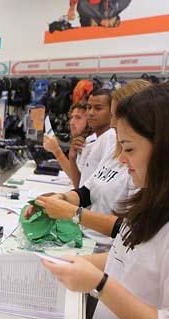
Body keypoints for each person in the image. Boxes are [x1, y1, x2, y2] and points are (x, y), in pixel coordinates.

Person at [42, 83, 169, 319]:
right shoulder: (147, 203)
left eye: (129, 149)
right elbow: (124, 258)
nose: (122, 158)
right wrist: (73, 263)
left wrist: (99, 284)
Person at [26, 81, 151, 247]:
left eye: (115, 116)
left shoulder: (144, 163)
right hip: (86, 239)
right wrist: (60, 199)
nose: (112, 123)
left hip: (109, 248)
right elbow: (87, 191)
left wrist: (72, 213)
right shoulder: (110, 141)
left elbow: (129, 228)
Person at [73, 89, 116, 188]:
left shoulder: (111, 137)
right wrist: (72, 157)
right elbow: (80, 185)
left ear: (112, 111)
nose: (91, 113)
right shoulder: (90, 140)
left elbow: (104, 188)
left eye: (98, 108)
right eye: (89, 107)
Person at [43, 102, 91, 185]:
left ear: (90, 121)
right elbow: (75, 176)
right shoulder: (80, 141)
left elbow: (79, 182)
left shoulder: (91, 144)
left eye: (78, 117)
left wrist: (57, 151)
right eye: (71, 117)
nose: (72, 122)